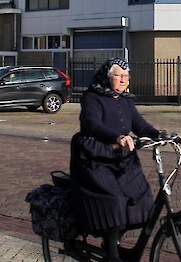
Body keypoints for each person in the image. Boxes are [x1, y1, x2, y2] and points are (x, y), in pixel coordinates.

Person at [69, 58, 162, 262]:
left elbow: (139, 124)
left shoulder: (126, 100)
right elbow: (92, 124)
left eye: (126, 76)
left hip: (121, 157)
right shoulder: (92, 97)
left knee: (142, 197)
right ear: (107, 77)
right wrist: (116, 137)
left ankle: (113, 241)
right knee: (115, 201)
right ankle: (112, 254)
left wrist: (160, 135)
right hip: (96, 157)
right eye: (118, 76)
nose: (123, 80)